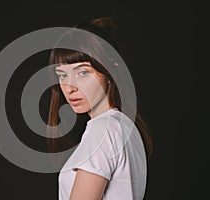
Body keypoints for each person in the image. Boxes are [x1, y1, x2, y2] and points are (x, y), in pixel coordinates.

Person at [46, 16, 152, 200]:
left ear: (111, 72)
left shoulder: (103, 129)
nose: (70, 87)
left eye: (83, 72)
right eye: (62, 75)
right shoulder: (125, 127)